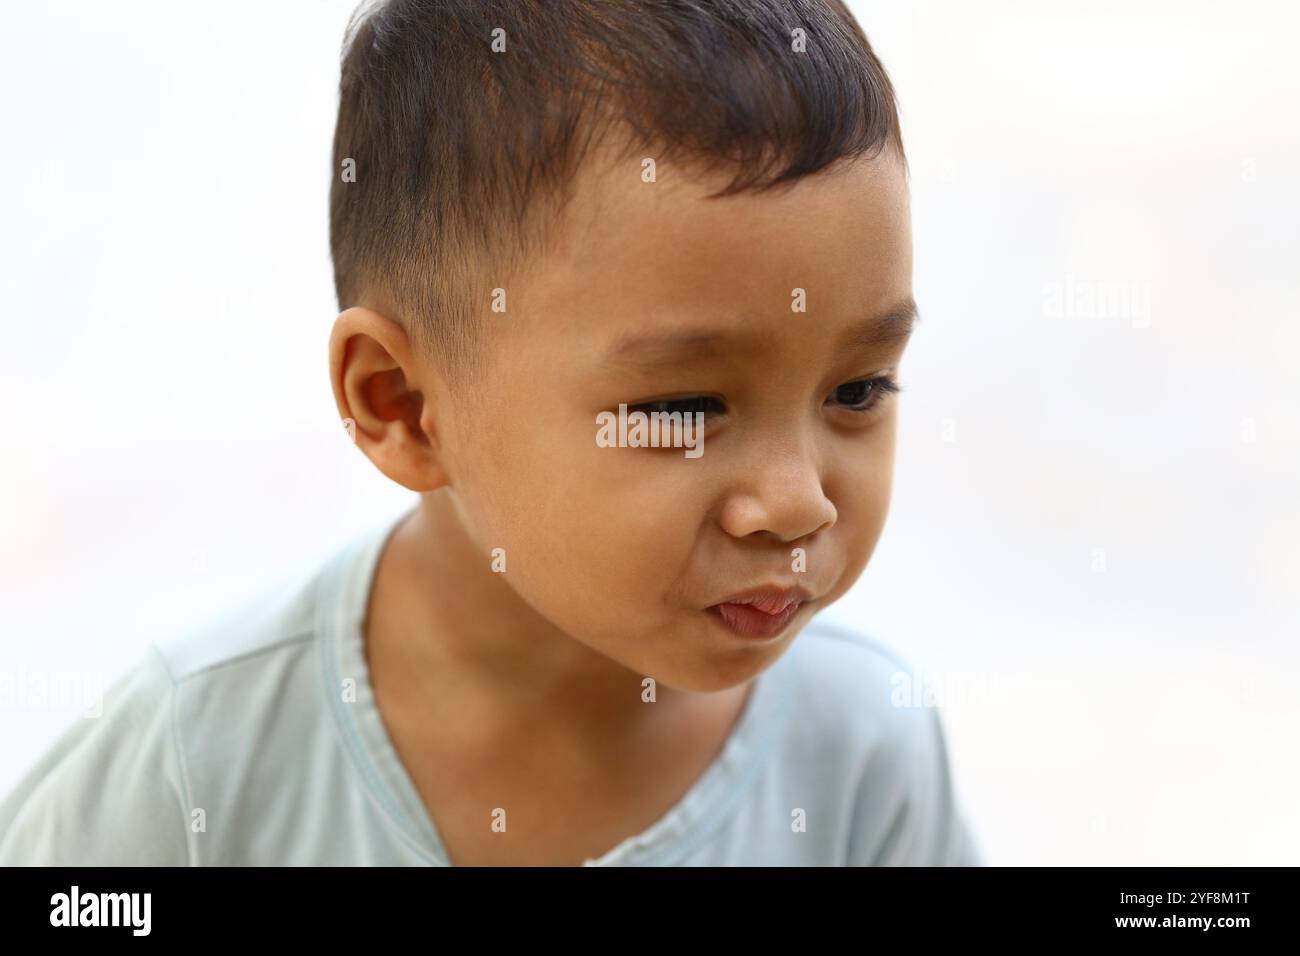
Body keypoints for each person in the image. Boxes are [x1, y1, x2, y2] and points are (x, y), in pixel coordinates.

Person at [0, 0, 982, 866]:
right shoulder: (196, 763)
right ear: (400, 404)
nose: (797, 500)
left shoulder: (860, 754)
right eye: (682, 410)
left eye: (858, 387)